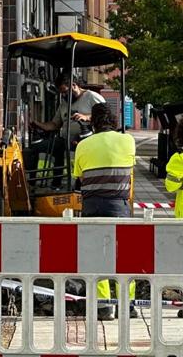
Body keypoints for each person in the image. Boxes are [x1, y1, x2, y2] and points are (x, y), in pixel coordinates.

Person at [72, 103, 136, 319]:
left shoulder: (83, 145)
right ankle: (127, 306)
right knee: (125, 257)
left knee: (96, 256)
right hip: (119, 205)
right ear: (115, 121)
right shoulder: (128, 141)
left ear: (93, 121)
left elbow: (79, 177)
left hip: (92, 206)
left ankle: (103, 306)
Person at [37, 73, 106, 133]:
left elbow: (105, 116)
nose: (63, 95)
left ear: (73, 85)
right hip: (66, 142)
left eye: (65, 92)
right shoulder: (64, 103)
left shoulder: (92, 97)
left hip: (86, 141)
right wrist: (39, 125)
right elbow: (55, 124)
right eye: (61, 93)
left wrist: (86, 117)